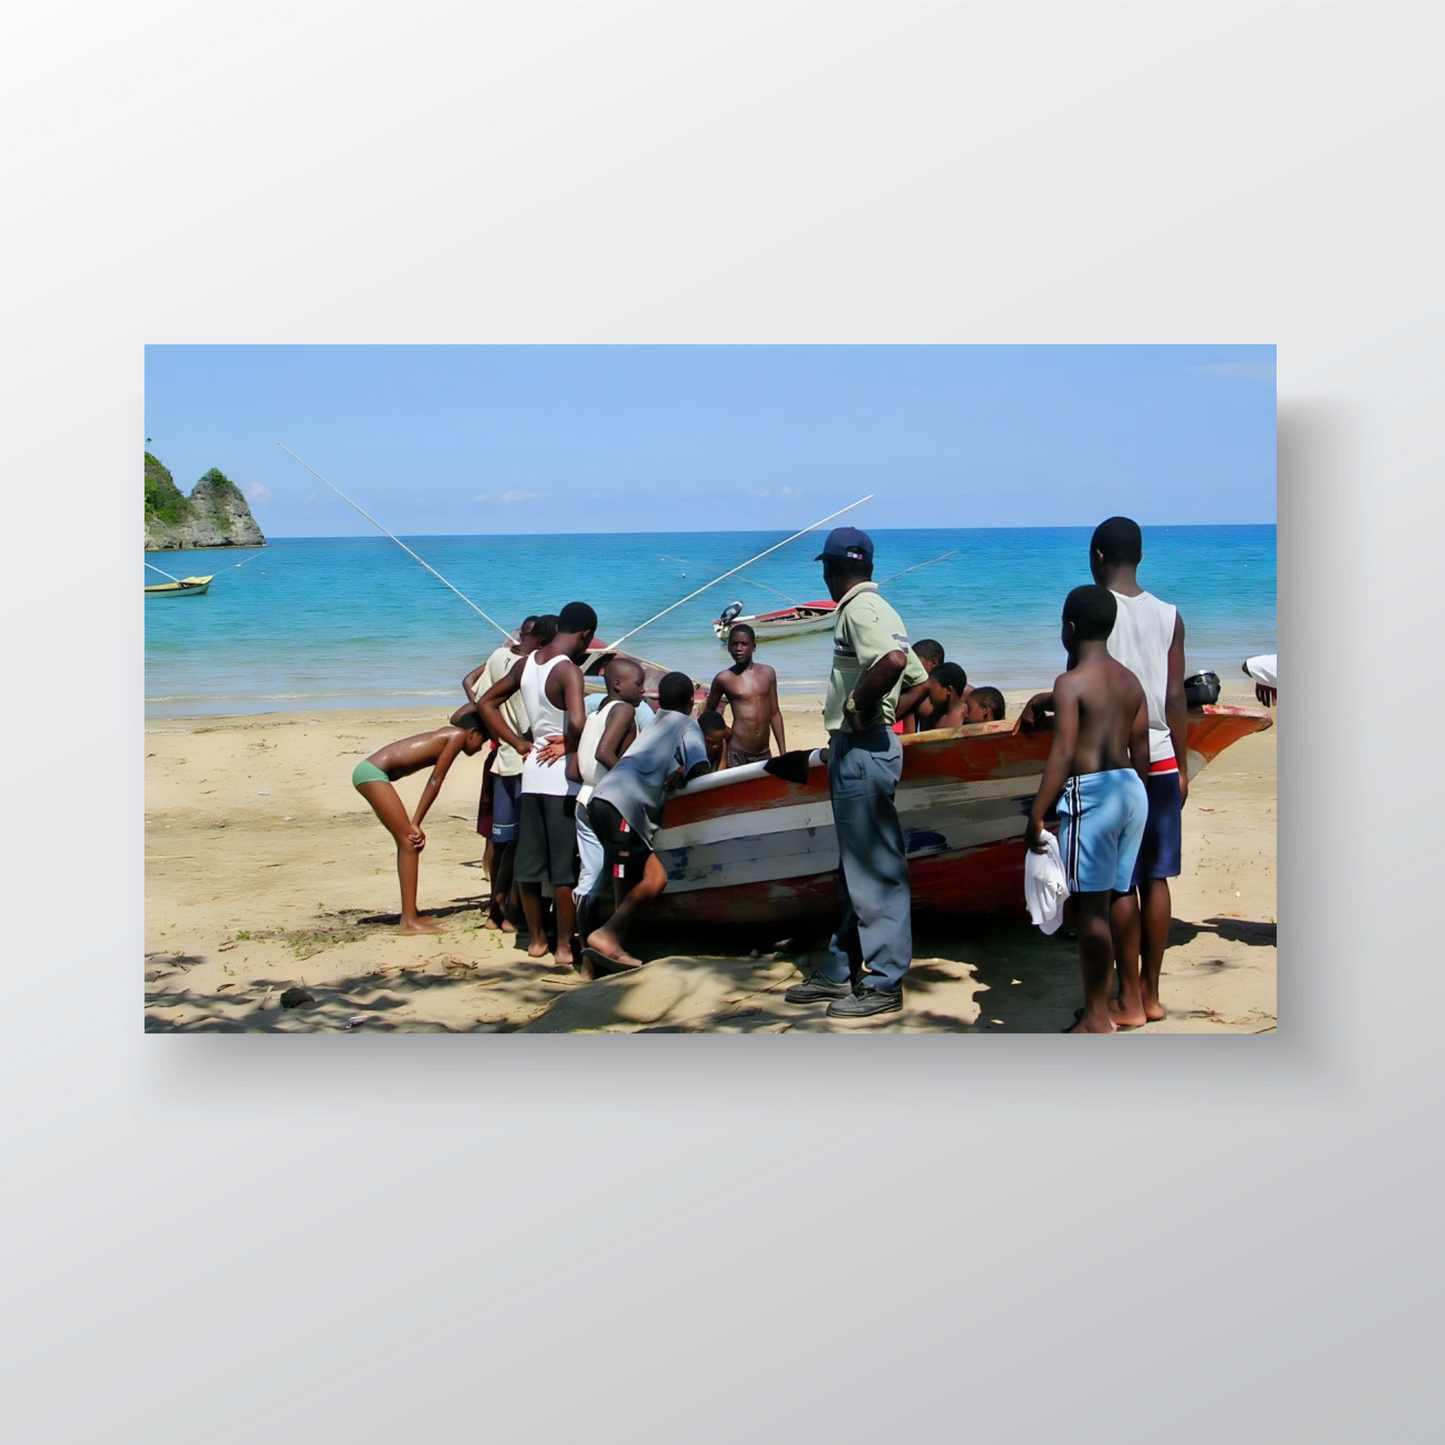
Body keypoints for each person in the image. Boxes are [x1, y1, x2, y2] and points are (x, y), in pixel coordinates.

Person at [1019, 516, 1187, 1027]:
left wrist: (1040, 810)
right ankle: (1145, 998)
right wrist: (1175, 766)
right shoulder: (1166, 619)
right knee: (1148, 882)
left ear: (1096, 557)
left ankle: (1111, 1004)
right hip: (1149, 768)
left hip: (1100, 779)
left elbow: (1071, 728)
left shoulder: (1082, 643)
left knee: (1105, 897)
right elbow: (1171, 698)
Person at [784, 527, 929, 1019]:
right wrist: (880, 714)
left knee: (876, 869)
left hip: (863, 750)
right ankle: (843, 968)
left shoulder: (859, 610)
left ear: (830, 568)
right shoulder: (876, 608)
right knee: (857, 868)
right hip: (863, 746)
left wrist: (860, 707)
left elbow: (891, 662)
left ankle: (885, 981)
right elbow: (916, 679)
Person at [1025, 586, 1150, 1033]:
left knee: (1091, 908)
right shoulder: (1130, 681)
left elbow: (1063, 752)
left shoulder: (1070, 683)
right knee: (1122, 893)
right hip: (1132, 790)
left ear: (1070, 629)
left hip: (1093, 795)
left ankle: (1097, 1017)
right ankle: (1131, 1001)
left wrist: (1037, 814)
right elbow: (1142, 753)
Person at [478, 601, 597, 968]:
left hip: (530, 773)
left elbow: (486, 702)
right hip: (561, 779)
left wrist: (518, 744)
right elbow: (576, 722)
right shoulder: (569, 671)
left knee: (530, 865)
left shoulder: (526, 663)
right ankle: (563, 946)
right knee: (563, 869)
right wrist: (570, 742)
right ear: (585, 636)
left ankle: (536, 941)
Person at [582, 671, 710, 975]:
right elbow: (700, 767)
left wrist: (675, 771)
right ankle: (605, 935)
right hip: (624, 809)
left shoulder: (653, 721)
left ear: (659, 700)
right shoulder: (687, 724)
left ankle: (604, 957)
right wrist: (684, 774)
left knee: (623, 883)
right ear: (692, 702)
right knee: (655, 880)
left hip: (601, 802)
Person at [458, 614, 554, 930]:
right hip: (526, 762)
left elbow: (480, 696)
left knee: (501, 843)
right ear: (544, 640)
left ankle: (493, 912)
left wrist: (494, 730)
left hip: (502, 760)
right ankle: (513, 913)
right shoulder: (534, 668)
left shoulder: (500, 657)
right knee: (522, 844)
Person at [351, 715, 488, 934]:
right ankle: (408, 922)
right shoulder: (456, 736)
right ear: (472, 733)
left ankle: (411, 913)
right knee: (409, 843)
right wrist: (416, 823)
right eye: (483, 740)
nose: (481, 748)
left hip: (373, 773)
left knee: (409, 843)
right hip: (372, 774)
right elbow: (436, 779)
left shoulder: (452, 733)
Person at [573, 657, 647, 950]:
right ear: (617, 685)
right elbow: (605, 753)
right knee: (620, 874)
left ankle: (586, 949)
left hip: (584, 799)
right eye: (639, 684)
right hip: (608, 800)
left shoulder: (596, 714)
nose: (644, 690)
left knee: (589, 877)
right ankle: (616, 941)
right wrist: (630, 782)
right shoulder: (624, 710)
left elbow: (581, 761)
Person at [704, 623, 785, 766]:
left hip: (764, 752)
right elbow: (708, 714)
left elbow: (774, 713)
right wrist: (722, 732)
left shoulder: (768, 673)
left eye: (744, 644)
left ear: (754, 646)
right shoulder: (724, 678)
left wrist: (783, 753)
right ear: (728, 647)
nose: (738, 649)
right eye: (734, 644)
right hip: (737, 752)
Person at [902, 639, 946, 732]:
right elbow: (909, 734)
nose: (911, 668)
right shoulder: (914, 694)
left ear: (933, 663)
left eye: (915, 663)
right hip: (927, 745)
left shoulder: (960, 690)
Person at [923, 661, 970, 729]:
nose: (928, 696)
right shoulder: (933, 717)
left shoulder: (967, 717)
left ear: (948, 690)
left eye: (931, 691)